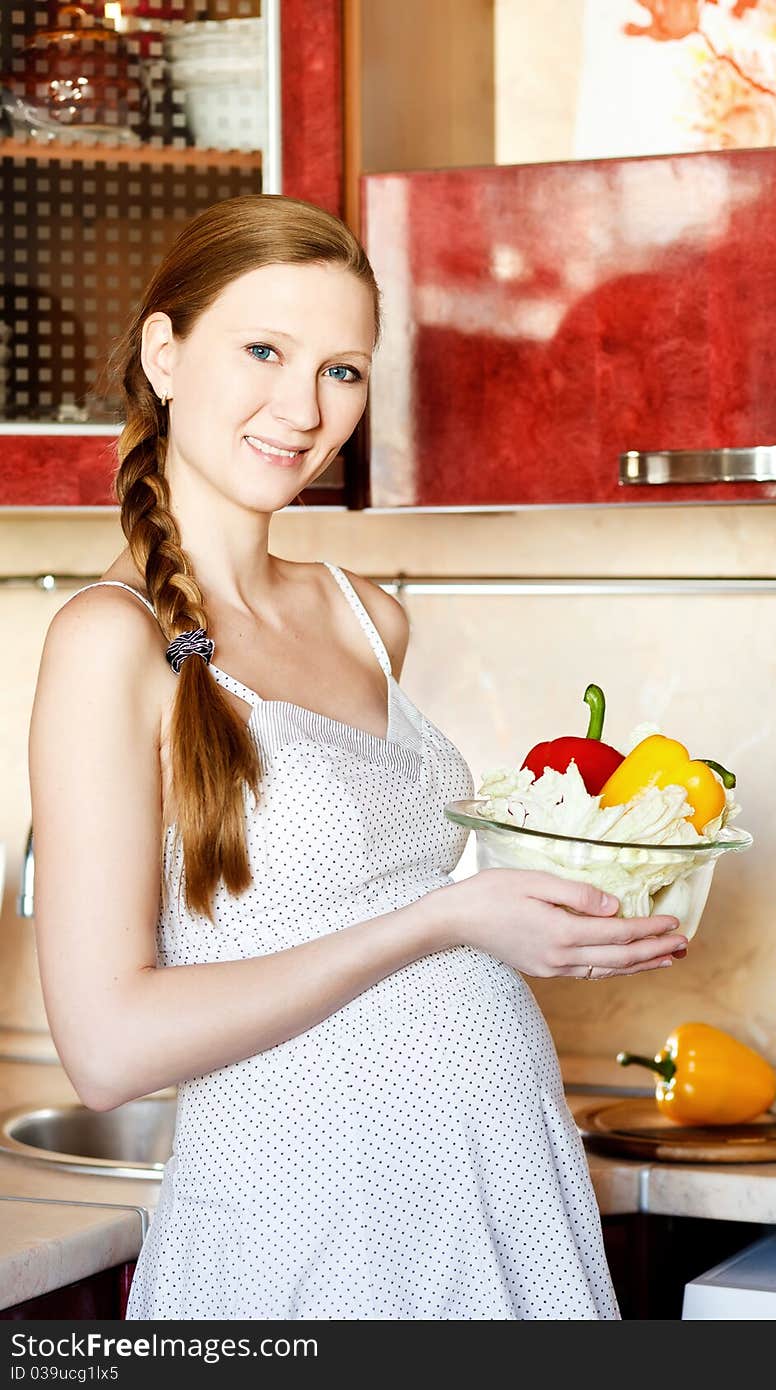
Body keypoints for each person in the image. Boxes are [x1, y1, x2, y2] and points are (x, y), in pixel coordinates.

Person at [28, 194, 688, 1321]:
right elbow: (108, 1048)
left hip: (498, 1202)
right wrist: (447, 920)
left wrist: (550, 896)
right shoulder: (110, 639)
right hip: (306, 1236)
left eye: (342, 369)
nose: (303, 407)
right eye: (264, 351)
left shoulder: (365, 617)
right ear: (165, 352)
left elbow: (376, 894)